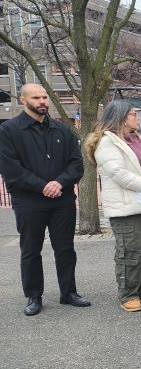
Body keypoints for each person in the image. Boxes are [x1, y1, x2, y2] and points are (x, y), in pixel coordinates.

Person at [0, 83, 89, 316]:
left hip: (62, 198)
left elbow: (76, 164)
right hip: (29, 201)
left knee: (65, 248)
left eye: (45, 97)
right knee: (30, 250)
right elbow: (11, 169)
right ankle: (33, 296)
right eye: (36, 97)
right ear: (22, 100)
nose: (42, 101)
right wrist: (43, 186)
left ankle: (68, 292)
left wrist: (59, 182)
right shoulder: (8, 131)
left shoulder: (62, 130)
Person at [86, 100, 141, 312]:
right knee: (130, 250)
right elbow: (120, 174)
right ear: (120, 117)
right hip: (125, 208)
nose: (136, 117)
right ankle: (128, 293)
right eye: (133, 114)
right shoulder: (107, 143)